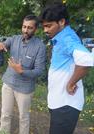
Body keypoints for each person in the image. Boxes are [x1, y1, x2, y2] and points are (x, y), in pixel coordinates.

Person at [39, 3, 94, 134]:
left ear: (62, 21)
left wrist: (71, 83)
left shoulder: (67, 38)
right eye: (44, 26)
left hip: (66, 104)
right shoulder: (60, 38)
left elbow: (85, 61)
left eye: (49, 25)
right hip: (59, 101)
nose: (45, 30)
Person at [0, 15, 46, 134]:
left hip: (25, 88)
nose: (25, 30)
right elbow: (0, 45)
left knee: (24, 117)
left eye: (29, 27)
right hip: (8, 84)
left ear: (35, 29)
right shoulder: (14, 39)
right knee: (5, 114)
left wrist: (22, 71)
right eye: (24, 26)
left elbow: (39, 70)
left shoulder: (40, 46)